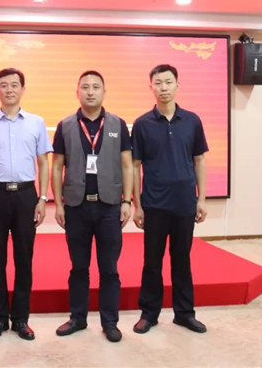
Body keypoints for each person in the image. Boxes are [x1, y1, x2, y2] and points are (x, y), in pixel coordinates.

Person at [0, 68, 52, 341]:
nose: (9, 90)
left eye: (14, 85)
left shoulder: (36, 122)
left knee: (24, 260)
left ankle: (20, 319)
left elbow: (43, 162)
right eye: (3, 85)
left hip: (26, 195)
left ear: (23, 90)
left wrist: (43, 198)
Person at [51, 70, 133, 343]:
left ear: (104, 92)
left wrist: (127, 201)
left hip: (109, 207)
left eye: (96, 87)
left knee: (109, 268)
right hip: (76, 207)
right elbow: (57, 166)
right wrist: (58, 204)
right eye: (85, 87)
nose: (90, 91)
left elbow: (127, 165)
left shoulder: (118, 124)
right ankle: (78, 318)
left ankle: (110, 322)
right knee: (78, 267)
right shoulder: (65, 125)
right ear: (77, 92)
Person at [131, 64, 209, 334]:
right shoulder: (142, 124)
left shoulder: (192, 121)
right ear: (151, 87)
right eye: (158, 83)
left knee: (182, 260)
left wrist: (201, 199)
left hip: (185, 203)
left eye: (168, 82)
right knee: (152, 262)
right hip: (154, 204)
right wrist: (137, 205)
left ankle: (184, 314)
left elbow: (199, 160)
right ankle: (149, 314)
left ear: (177, 85)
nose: (163, 88)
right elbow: (135, 166)